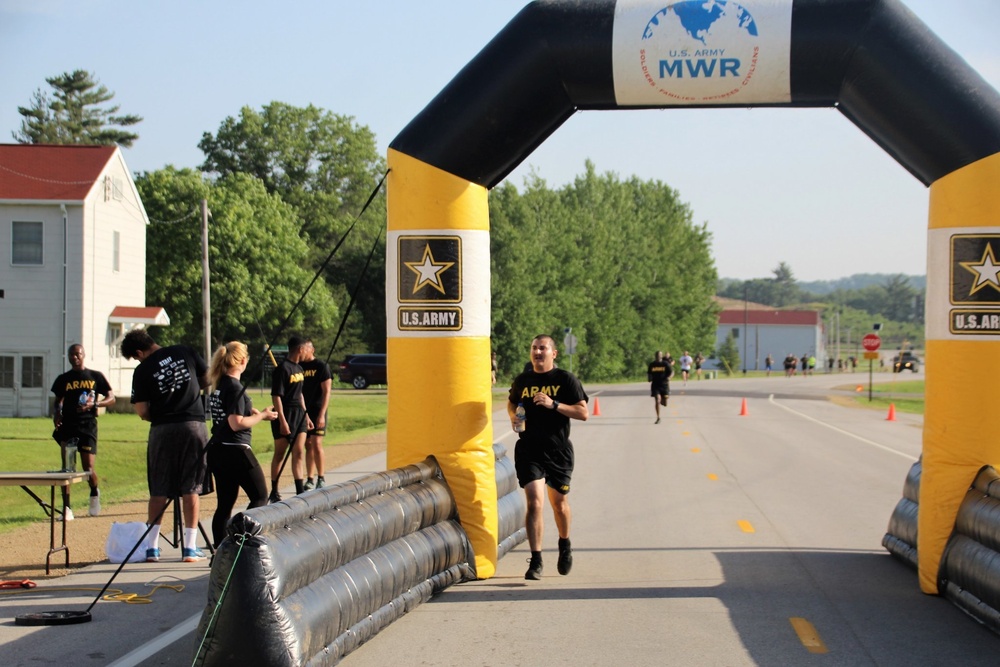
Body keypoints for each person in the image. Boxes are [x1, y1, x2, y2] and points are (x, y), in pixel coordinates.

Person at [121, 328, 210, 563]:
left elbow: (142, 410)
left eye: (136, 357)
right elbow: (208, 377)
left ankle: (152, 548)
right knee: (191, 486)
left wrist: (160, 416)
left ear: (139, 352)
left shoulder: (142, 370)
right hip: (193, 424)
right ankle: (190, 548)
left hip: (162, 429)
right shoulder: (185, 351)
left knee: (159, 488)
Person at [507, 334, 589, 580]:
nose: (538, 352)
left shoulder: (565, 379)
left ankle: (564, 544)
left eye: (543, 348)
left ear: (554, 353)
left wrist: (553, 404)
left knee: (559, 505)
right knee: (534, 502)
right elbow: (512, 403)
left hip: (558, 451)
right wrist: (514, 416)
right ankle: (536, 560)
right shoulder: (523, 380)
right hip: (529, 450)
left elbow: (583, 412)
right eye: (534, 348)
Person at [206, 342, 278, 547]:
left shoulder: (220, 385)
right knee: (261, 496)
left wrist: (254, 414)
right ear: (243, 361)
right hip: (236, 450)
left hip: (218, 450)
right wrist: (263, 414)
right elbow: (236, 424)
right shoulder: (235, 387)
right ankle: (242, 542)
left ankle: (219, 552)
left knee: (224, 505)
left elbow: (232, 414)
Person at [51, 344, 115, 519]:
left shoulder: (94, 376)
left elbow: (111, 398)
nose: (75, 357)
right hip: (69, 426)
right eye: (72, 354)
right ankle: (67, 508)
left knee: (88, 468)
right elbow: (58, 401)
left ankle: (94, 494)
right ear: (69, 356)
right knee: (67, 468)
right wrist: (57, 412)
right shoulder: (64, 379)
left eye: (78, 354)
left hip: (87, 426)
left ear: (84, 355)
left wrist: (95, 404)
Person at [269, 335, 313, 501]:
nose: (307, 352)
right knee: (280, 453)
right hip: (284, 413)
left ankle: (299, 490)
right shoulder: (282, 369)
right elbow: (277, 396)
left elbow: (300, 394)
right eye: (306, 349)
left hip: (299, 414)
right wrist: (282, 420)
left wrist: (306, 415)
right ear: (300, 349)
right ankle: (274, 490)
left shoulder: (300, 369)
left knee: (299, 452)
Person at [300, 339, 332, 490]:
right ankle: (310, 478)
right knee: (307, 444)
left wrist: (322, 414)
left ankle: (321, 477)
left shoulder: (321, 366)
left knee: (316, 443)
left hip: (318, 410)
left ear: (312, 350)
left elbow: (327, 392)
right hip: (303, 411)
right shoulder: (298, 367)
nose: (302, 352)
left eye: (305, 349)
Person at [647, 350, 673, 424]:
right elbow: (649, 373)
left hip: (664, 385)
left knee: (665, 403)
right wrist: (649, 378)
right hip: (655, 385)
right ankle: (658, 417)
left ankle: (663, 399)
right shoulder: (652, 364)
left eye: (660, 355)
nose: (658, 357)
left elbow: (671, 372)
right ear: (655, 356)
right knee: (657, 401)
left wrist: (669, 377)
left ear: (661, 356)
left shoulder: (665, 364)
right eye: (657, 355)